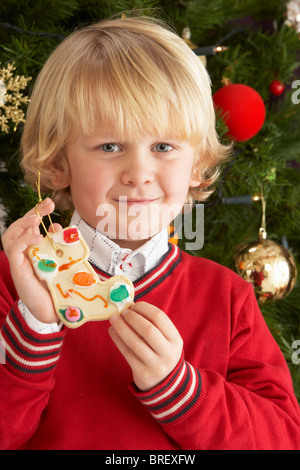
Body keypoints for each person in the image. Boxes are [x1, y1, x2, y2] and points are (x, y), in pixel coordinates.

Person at [0, 15, 299, 451]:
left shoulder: (229, 297)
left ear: (196, 164)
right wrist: (36, 328)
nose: (139, 174)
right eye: (109, 146)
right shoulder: (13, 283)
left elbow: (282, 438)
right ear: (58, 162)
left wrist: (180, 390)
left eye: (163, 147)